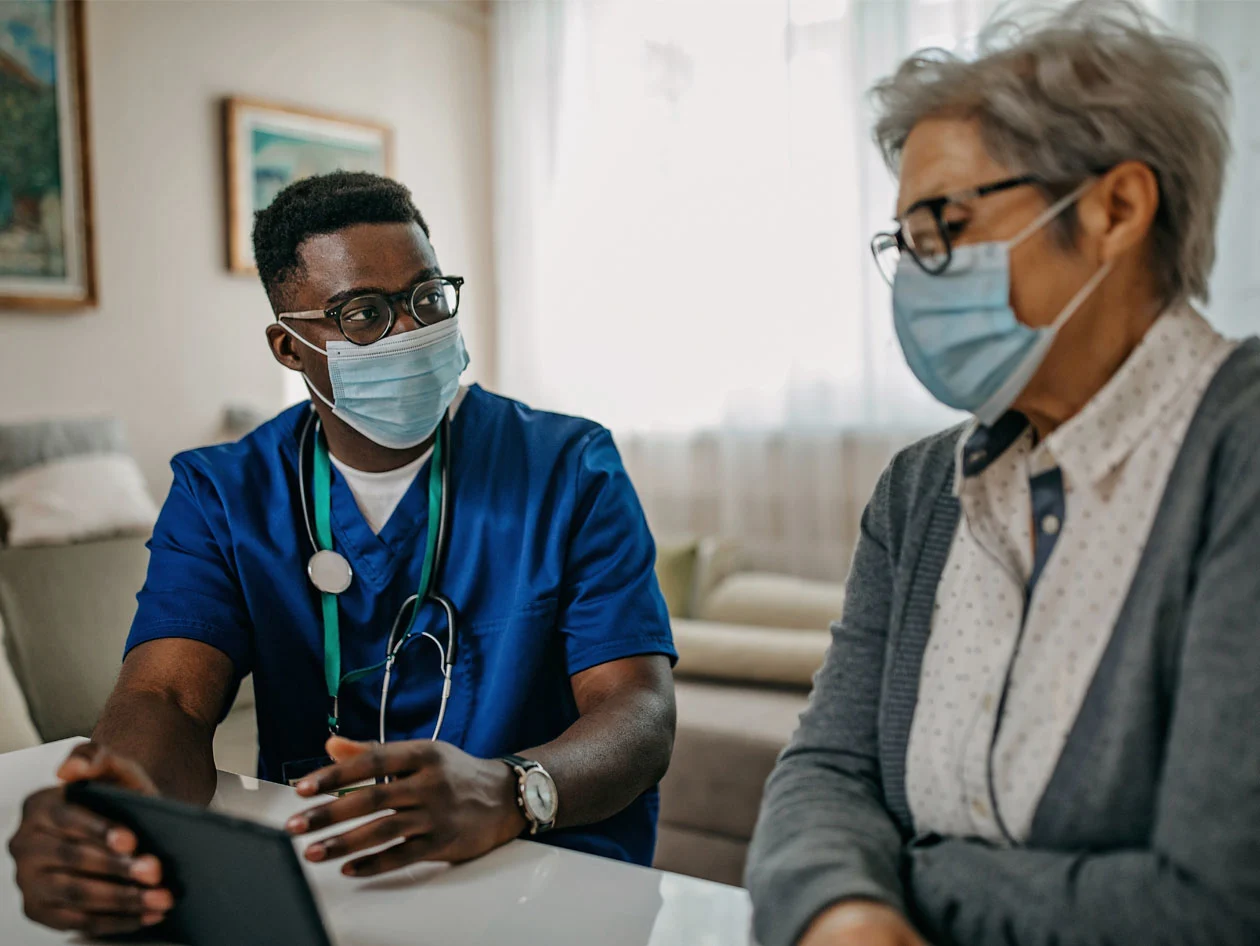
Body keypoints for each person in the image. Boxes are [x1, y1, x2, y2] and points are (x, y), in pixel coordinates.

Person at [8, 171, 677, 938]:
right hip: (327, 877)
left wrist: (512, 790)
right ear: (290, 348)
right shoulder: (224, 494)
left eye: (428, 299)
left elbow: (639, 709)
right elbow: (167, 699)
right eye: (362, 314)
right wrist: (117, 811)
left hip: (545, 871)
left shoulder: (567, 466)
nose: (409, 333)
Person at [747, 3, 1260, 946]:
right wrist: (844, 910)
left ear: (1115, 209)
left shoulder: (1241, 448)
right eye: (905, 242)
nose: (917, 275)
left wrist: (916, 877)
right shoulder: (918, 491)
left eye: (943, 224)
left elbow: (1216, 906)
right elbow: (825, 770)